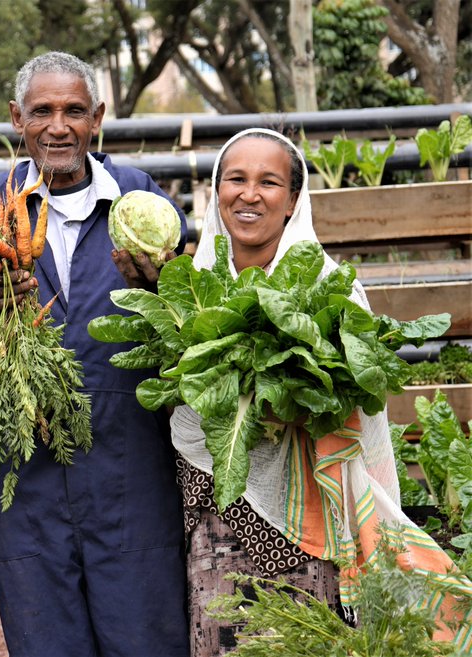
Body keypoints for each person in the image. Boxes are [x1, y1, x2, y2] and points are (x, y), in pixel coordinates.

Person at [172, 127, 472, 654]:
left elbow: (357, 398)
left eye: (269, 182)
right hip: (216, 513)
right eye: (235, 179)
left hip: (310, 517)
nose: (250, 194)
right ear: (216, 191)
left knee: (309, 640)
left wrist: (292, 400)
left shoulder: (331, 286)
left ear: (292, 201)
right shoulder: (190, 288)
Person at [0, 52, 190, 657]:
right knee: (44, 638)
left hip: (131, 472)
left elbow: (192, 324)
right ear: (16, 119)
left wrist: (161, 291)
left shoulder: (141, 202)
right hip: (27, 478)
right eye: (43, 111)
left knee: (146, 637)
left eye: (74, 111)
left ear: (98, 119)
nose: (58, 127)